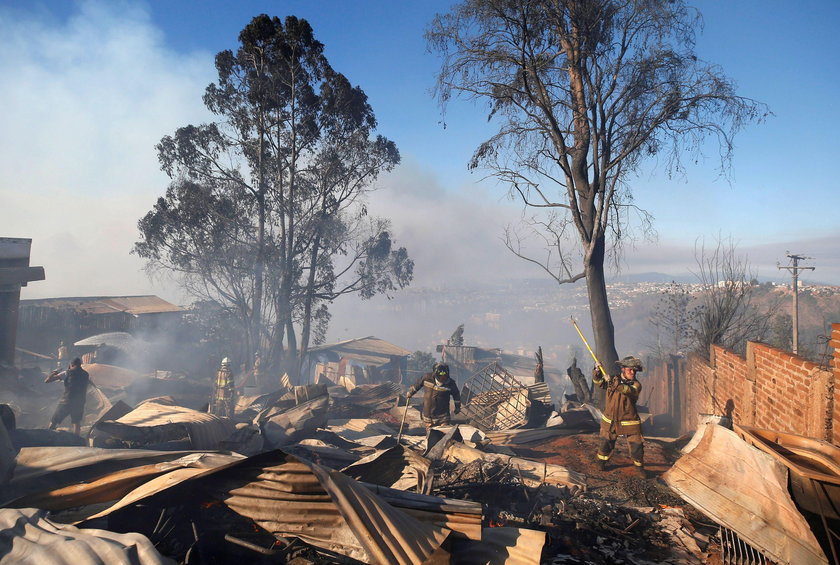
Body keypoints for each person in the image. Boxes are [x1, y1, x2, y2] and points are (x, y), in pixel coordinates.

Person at [593, 356, 645, 477]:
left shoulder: (636, 385)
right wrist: (597, 371)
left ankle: (639, 468)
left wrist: (613, 383)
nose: (633, 373)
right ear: (623, 369)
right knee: (606, 443)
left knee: (637, 445)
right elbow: (598, 382)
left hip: (629, 420)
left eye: (634, 370)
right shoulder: (613, 379)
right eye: (630, 370)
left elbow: (627, 390)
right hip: (610, 419)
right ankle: (601, 462)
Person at [406, 362, 461, 429]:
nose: (443, 378)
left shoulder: (451, 383)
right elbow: (417, 385)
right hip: (428, 415)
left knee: (444, 431)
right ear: (435, 374)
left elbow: (456, 395)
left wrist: (457, 407)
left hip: (443, 416)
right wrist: (410, 392)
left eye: (445, 376)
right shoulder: (427, 378)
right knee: (430, 433)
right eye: (441, 376)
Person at [45, 357, 90, 435]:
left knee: (54, 420)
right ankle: (77, 441)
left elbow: (47, 380)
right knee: (76, 422)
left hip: (66, 401)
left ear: (71, 364)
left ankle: (49, 436)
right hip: (79, 402)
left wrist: (55, 371)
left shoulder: (67, 373)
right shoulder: (86, 374)